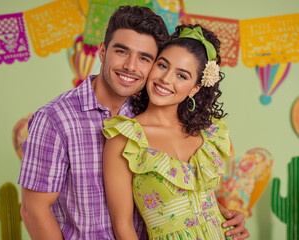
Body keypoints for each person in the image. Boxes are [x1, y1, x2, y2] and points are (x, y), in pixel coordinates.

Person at [18, 5, 248, 240]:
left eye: (145, 58)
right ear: (102, 51)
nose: (130, 66)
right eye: (121, 51)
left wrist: (223, 213)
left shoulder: (144, 109)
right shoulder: (56, 118)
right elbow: (33, 210)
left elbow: (171, 192)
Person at [102, 24, 250, 240]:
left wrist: (228, 214)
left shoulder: (209, 134)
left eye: (182, 75)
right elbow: (122, 225)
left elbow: (200, 198)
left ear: (194, 89)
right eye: (162, 65)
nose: (166, 79)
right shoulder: (126, 138)